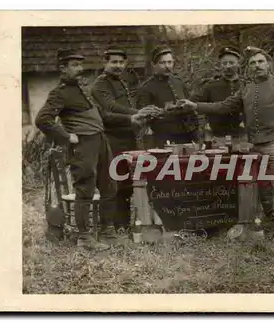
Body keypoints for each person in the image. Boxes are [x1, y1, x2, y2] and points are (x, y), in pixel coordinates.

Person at [176, 46, 274, 241]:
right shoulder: (245, 88)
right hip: (253, 146)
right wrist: (196, 106)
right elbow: (223, 106)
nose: (257, 66)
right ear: (248, 68)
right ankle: (262, 223)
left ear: (269, 64)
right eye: (253, 63)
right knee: (257, 186)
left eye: (261, 62)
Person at [35, 49, 144, 250]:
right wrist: (67, 137)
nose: (79, 69)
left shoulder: (82, 89)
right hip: (84, 145)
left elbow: (103, 115)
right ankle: (84, 239)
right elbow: (43, 119)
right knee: (85, 188)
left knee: (109, 186)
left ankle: (107, 233)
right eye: (74, 66)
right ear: (62, 68)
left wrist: (130, 119)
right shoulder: (60, 93)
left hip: (101, 142)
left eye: (80, 65)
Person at [90, 45, 160, 236]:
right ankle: (115, 228)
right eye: (114, 62)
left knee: (128, 184)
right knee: (115, 184)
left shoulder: (121, 81)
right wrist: (137, 114)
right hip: (112, 140)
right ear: (105, 63)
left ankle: (125, 226)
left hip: (128, 139)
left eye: (121, 62)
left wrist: (143, 114)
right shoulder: (100, 84)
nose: (118, 66)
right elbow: (110, 107)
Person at [135, 45, 200, 148]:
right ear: (153, 64)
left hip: (187, 136)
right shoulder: (146, 88)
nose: (167, 66)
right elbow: (144, 116)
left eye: (170, 62)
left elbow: (190, 108)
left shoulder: (178, 82)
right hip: (163, 139)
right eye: (162, 63)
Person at [190, 46, 247, 148]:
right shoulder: (211, 86)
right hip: (218, 138)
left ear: (238, 64)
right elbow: (193, 104)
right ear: (219, 65)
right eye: (224, 63)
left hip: (242, 137)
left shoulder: (246, 85)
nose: (228, 66)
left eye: (231, 62)